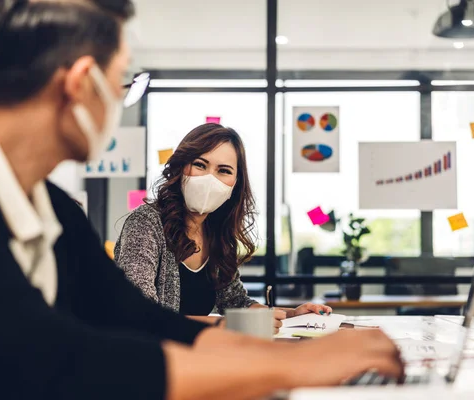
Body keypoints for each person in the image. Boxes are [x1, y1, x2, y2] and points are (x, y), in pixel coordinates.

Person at [0, 0, 404, 398]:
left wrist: (291, 349)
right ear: (81, 82)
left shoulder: (54, 211)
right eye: (122, 80)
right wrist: (293, 367)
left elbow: (139, 320)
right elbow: (56, 360)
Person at [115, 124, 332, 331]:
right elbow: (139, 310)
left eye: (224, 171)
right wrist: (228, 325)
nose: (210, 178)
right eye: (200, 165)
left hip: (196, 355)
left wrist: (291, 316)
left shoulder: (216, 231)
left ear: (235, 184)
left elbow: (235, 302)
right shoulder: (145, 222)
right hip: (150, 360)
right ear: (181, 168)